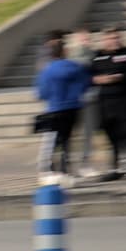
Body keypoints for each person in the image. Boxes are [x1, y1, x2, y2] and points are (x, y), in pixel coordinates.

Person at [90, 27, 126, 182]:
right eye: (110, 38)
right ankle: (116, 168)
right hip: (106, 102)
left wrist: (119, 77)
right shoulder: (97, 56)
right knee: (111, 136)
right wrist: (96, 80)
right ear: (104, 40)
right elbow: (89, 75)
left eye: (116, 37)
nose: (114, 41)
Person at [35, 38, 90, 185]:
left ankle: (48, 171)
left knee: (52, 141)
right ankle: (66, 171)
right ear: (65, 51)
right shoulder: (76, 67)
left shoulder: (47, 70)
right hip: (74, 109)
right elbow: (86, 85)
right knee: (67, 141)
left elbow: (41, 93)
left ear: (52, 54)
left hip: (55, 108)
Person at [66, 26, 101, 177]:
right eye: (83, 39)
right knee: (70, 135)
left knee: (87, 134)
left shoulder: (94, 56)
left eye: (88, 38)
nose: (86, 42)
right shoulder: (70, 59)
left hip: (89, 99)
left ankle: (85, 164)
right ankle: (66, 166)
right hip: (72, 102)